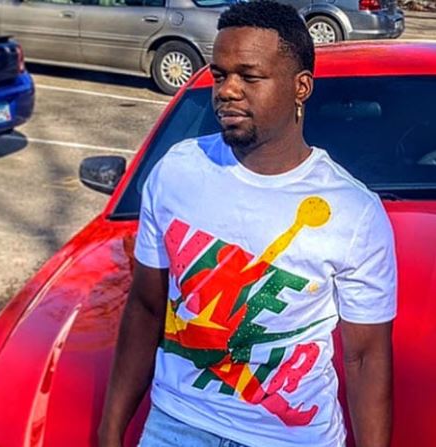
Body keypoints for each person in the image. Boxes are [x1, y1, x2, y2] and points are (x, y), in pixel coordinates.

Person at [97, 1, 397, 446]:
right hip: (176, 424)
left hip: (291, 438)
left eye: (249, 77)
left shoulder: (354, 213)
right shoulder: (177, 171)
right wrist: (110, 429)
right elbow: (145, 307)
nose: (227, 90)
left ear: (301, 87)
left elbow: (366, 357)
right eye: (219, 75)